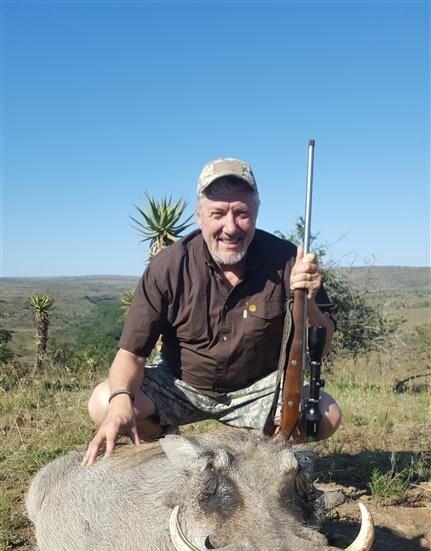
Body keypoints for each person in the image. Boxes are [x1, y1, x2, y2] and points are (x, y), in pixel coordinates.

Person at [82, 157, 341, 467]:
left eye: (241, 213)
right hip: (181, 384)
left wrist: (309, 301)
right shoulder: (167, 267)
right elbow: (131, 354)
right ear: (199, 215)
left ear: (256, 213)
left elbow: (320, 349)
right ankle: (163, 442)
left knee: (327, 415)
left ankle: (270, 462)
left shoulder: (290, 261)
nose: (230, 227)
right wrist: (122, 399)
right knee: (103, 401)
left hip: (257, 388)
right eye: (218, 213)